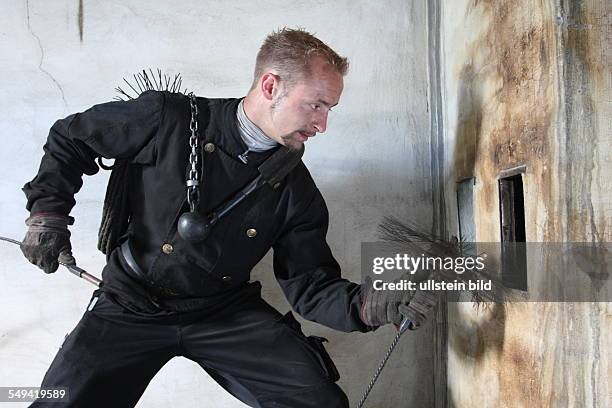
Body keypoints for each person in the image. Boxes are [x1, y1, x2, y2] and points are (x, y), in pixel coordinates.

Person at [20, 28, 426, 408]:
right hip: (130, 302)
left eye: (329, 109)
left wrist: (369, 306)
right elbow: (71, 138)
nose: (322, 124)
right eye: (315, 104)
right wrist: (47, 216)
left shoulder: (296, 192)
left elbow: (311, 286)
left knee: (318, 400)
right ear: (271, 86)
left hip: (224, 312)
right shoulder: (168, 119)